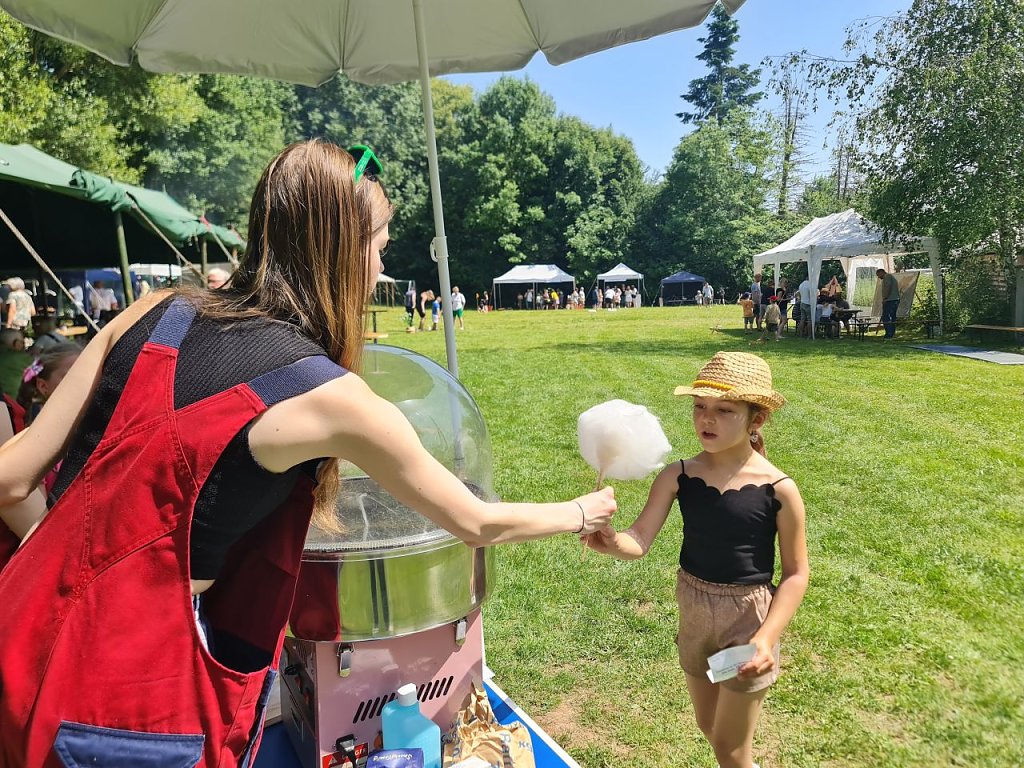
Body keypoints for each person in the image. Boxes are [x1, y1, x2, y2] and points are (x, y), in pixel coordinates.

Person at [0, 140, 617, 767]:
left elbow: (10, 480)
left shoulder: (153, 312)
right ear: (343, 249)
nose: (380, 267)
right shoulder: (330, 397)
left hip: (18, 631)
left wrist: (69, 572)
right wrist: (581, 513)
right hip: (118, 702)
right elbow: (474, 521)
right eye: (379, 247)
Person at [584, 352, 808, 768]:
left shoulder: (778, 489)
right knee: (710, 726)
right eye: (700, 406)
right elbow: (639, 539)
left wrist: (765, 638)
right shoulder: (678, 475)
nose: (707, 418)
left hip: (748, 621)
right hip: (694, 612)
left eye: (724, 410)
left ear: (756, 419)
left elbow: (796, 574)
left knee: (730, 748)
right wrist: (612, 540)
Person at [876, 268, 900, 339]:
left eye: (878, 275)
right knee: (892, 317)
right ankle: (892, 333)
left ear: (881, 272)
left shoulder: (887, 277)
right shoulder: (891, 277)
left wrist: (885, 298)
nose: (878, 277)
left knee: (886, 317)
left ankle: (889, 334)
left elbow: (887, 287)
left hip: (890, 300)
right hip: (895, 299)